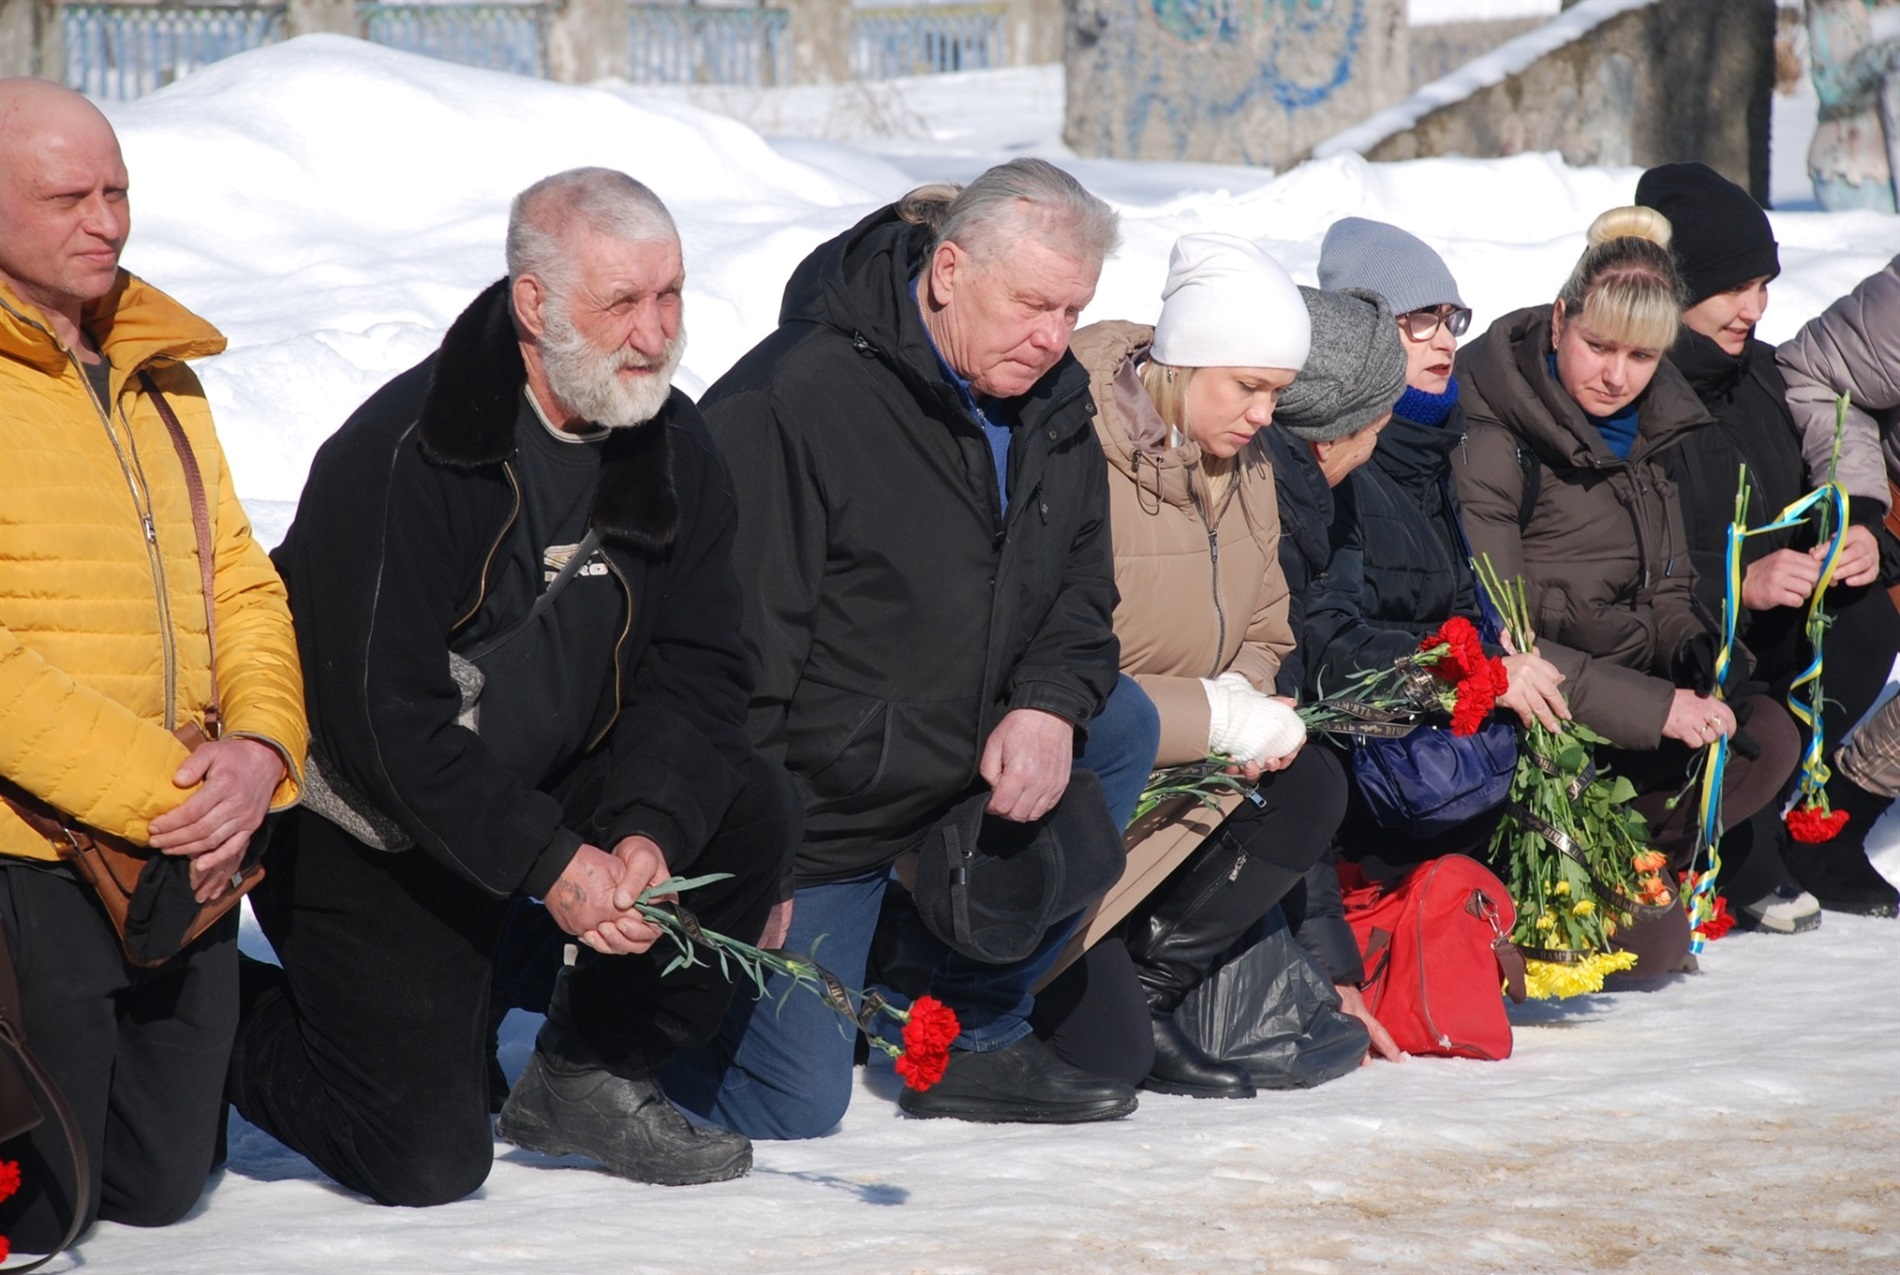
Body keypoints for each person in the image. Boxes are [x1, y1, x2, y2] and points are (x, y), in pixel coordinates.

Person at [230, 168, 797, 1204]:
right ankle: (208, 1008)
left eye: (670, 295)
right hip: (372, 816)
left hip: (539, 784)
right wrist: (551, 864)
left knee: (745, 806)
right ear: (533, 306)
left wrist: (645, 832)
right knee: (426, 1158)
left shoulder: (673, 444)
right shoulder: (405, 454)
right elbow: (379, 723)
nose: (656, 332)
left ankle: (591, 1072)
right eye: (622, 302)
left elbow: (703, 670)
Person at [665, 159, 1149, 1137]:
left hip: (946, 770)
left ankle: (968, 1024)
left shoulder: (1052, 398)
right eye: (1030, 304)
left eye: (1072, 309)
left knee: (1117, 723)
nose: (1054, 337)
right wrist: (745, 861)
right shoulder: (796, 402)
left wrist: (1048, 704)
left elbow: (1081, 593)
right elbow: (728, 664)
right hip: (815, 816)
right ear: (947, 271)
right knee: (791, 1107)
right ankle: (552, 1014)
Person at [0, 80, 306, 1251]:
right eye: (66, 196)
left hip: (190, 843)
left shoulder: (161, 372)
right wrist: (168, 793)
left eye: (116, 190)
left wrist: (263, 750)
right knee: (47, 1208)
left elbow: (241, 577)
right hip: (38, 849)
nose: (105, 221)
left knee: (165, 1184)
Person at [1452, 206, 1802, 968]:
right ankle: (1556, 874)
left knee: (1766, 735)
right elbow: (1508, 636)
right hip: (1542, 731)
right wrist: (1659, 709)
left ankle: (1629, 864)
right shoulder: (1495, 440)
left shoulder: (1649, 430)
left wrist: (1699, 657)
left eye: (1642, 356)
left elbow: (1669, 590)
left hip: (1626, 712)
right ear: (1558, 322)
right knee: (1649, 956)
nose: (1616, 375)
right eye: (1598, 346)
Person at [1059, 233, 1355, 1099]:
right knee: (1105, 1060)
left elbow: (1269, 620)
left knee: (1310, 780)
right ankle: (1083, 958)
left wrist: (1247, 699)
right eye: (1250, 387)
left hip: (1196, 766)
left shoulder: (1246, 465)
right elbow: (1065, 661)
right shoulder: (1087, 451)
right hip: (1095, 776)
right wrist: (1214, 714)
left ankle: (1154, 982)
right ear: (1183, 364)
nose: (1265, 414)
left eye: (1278, 393)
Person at [1639, 162, 1900, 921]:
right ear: (1678, 287)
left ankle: (1774, 810)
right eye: (1736, 288)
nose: (1755, 308)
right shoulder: (1639, 388)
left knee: (1864, 617)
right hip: (1684, 634)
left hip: (1762, 623)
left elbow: (1806, 477)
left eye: (1765, 286)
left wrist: (1852, 531)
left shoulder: (1757, 375)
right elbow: (1630, 558)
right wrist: (1740, 585)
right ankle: (1722, 837)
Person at [1295, 220, 1570, 874]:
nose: (1445, 338)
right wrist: (1472, 670)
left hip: (1440, 764)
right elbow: (1325, 647)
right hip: (1371, 785)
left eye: (1451, 319)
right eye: (1419, 319)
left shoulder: (1431, 451)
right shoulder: (1339, 463)